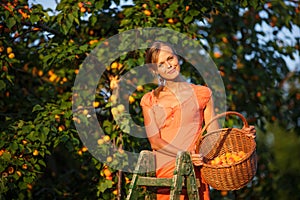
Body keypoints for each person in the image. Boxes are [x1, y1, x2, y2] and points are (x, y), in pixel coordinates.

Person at [140, 41, 256, 200]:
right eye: (161, 64)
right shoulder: (149, 100)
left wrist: (241, 135)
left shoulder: (202, 94)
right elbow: (155, 141)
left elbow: (213, 135)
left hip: (196, 167)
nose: (169, 65)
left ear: (177, 57)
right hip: (167, 169)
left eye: (170, 58)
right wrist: (184, 155)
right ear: (155, 70)